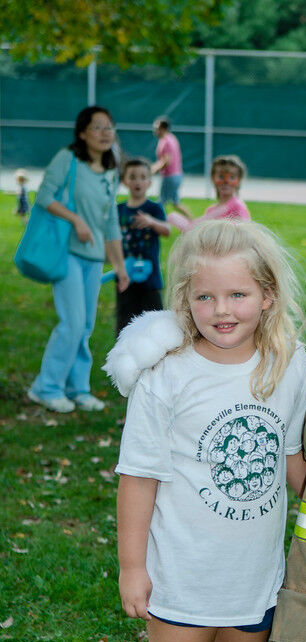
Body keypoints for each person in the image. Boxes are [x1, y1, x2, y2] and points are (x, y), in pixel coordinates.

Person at [110, 219, 306, 642]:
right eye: (204, 298)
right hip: (182, 575)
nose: (221, 311)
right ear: (183, 301)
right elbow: (138, 478)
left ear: (269, 297)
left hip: (253, 575)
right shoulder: (166, 378)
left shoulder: (288, 365)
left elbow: (292, 463)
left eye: (237, 296)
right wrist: (133, 568)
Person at [27, 106, 129, 414]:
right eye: (97, 127)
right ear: (82, 132)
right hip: (66, 252)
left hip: (94, 258)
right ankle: (45, 388)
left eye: (108, 127)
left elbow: (110, 218)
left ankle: (77, 388)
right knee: (71, 324)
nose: (104, 133)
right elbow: (44, 196)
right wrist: (76, 220)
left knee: (84, 325)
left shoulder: (111, 171)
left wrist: (120, 266)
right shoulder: (68, 160)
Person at [116, 157, 170, 335]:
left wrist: (151, 222)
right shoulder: (119, 209)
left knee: (154, 323)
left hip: (150, 278)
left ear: (149, 182)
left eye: (142, 177)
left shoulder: (154, 208)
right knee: (125, 323)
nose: (137, 181)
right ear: (125, 181)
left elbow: (167, 230)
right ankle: (124, 358)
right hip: (125, 277)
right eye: (132, 177)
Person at [167, 155, 250, 233]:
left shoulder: (237, 206)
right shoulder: (211, 210)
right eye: (221, 177)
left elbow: (244, 232)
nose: (226, 181)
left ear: (238, 181)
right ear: (213, 179)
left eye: (232, 177)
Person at [151, 117, 190, 219]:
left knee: (161, 202)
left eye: (156, 128)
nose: (154, 130)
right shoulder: (171, 138)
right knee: (175, 203)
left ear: (163, 128)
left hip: (170, 176)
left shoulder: (166, 141)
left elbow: (166, 161)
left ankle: (158, 222)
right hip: (176, 175)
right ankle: (192, 220)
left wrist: (153, 170)